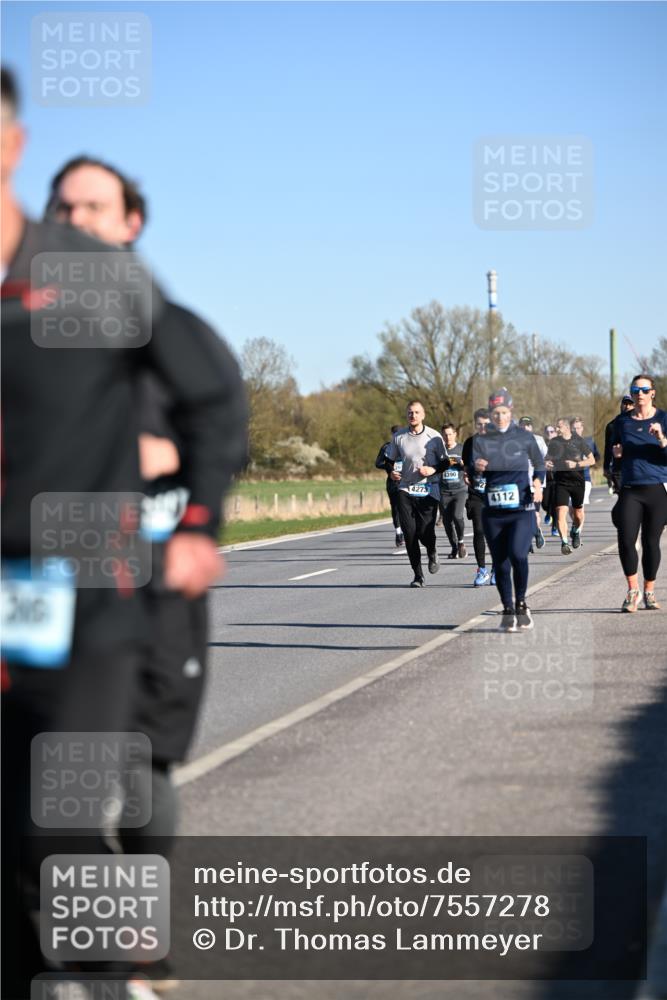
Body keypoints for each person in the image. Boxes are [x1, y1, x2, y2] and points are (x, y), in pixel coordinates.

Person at [1, 68, 248, 997]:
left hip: (116, 587)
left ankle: (125, 958)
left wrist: (193, 515)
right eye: (68, 205)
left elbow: (215, 400)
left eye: (93, 205)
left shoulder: (108, 292)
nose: (77, 219)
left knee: (114, 784)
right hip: (24, 591)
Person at [473, 388, 545, 631]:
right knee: (501, 564)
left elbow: (539, 464)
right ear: (491, 414)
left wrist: (537, 483)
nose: (500, 417)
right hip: (493, 511)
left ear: (511, 411)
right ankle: (507, 609)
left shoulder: (524, 437)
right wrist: (477, 467)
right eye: (495, 413)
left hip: (521, 509)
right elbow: (472, 470)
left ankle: (522, 602)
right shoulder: (482, 439)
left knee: (518, 555)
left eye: (504, 412)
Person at [611, 375, 667, 612]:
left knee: (651, 542)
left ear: (652, 393)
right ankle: (632, 591)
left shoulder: (664, 418)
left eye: (645, 390)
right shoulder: (621, 422)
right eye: (636, 390)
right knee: (626, 539)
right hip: (631, 489)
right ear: (632, 394)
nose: (640, 394)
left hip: (656, 488)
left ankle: (650, 592)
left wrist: (662, 439)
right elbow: (614, 457)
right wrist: (616, 456)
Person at [384, 401, 448, 587]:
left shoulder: (434, 436)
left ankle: (432, 550)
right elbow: (388, 460)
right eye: (410, 412)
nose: (413, 415)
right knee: (410, 533)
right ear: (407, 415)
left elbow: (445, 463)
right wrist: (390, 471)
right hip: (405, 488)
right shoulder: (399, 437)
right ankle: (418, 575)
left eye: (417, 412)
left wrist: (433, 470)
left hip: (428, 489)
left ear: (423, 415)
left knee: (424, 532)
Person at [545, 417, 594, 554]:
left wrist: (576, 464)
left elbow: (592, 460)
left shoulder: (578, 441)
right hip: (561, 483)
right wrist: (547, 463)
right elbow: (548, 458)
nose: (556, 429)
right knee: (561, 513)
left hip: (577, 482)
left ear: (566, 427)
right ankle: (564, 543)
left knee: (578, 514)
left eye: (558, 427)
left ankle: (576, 531)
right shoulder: (554, 442)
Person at [462, 409, 494, 585]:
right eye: (479, 424)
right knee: (479, 530)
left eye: (486, 424)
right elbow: (466, 466)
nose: (483, 427)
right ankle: (482, 569)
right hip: (476, 494)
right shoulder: (469, 443)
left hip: (496, 493)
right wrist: (466, 475)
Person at [518, 416, 548, 549]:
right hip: (520, 483)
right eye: (523, 425)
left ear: (531, 427)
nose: (525, 427)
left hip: (536, 482)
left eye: (528, 425)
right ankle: (527, 539)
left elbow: (545, 459)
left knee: (534, 514)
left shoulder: (539, 440)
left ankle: (536, 531)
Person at [439, 423, 467, 559]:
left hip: (460, 490)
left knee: (457, 516)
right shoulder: (439, 450)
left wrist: (462, 463)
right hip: (443, 490)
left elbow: (471, 467)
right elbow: (433, 468)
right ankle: (454, 547)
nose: (448, 437)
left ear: (455, 434)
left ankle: (461, 542)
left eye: (450, 434)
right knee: (446, 521)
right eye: (445, 435)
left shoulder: (462, 449)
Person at [375, 425, 404, 549]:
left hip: (407, 481)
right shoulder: (386, 447)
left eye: (399, 434)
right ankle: (398, 533)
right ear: (392, 435)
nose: (396, 437)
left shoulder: (408, 446)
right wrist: (390, 467)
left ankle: (409, 531)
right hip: (393, 483)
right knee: (396, 508)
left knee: (408, 508)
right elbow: (378, 463)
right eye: (394, 434)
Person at [604, 395, 635, 497]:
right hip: (618, 469)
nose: (627, 406)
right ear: (621, 405)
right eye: (625, 404)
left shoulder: (640, 424)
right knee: (623, 498)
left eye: (630, 404)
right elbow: (608, 448)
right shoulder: (611, 426)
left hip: (635, 468)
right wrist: (606, 467)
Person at [570, 416, 601, 505]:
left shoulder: (589, 442)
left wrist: (587, 462)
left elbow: (597, 457)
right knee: (570, 509)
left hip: (584, 479)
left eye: (578, 428)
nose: (576, 430)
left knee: (579, 507)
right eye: (574, 428)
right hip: (568, 480)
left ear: (582, 428)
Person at [542, 424, 558, 530]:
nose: (549, 433)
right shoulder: (541, 444)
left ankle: (555, 527)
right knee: (545, 503)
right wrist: (544, 464)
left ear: (556, 433)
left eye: (552, 431)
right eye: (547, 431)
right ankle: (548, 513)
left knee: (556, 502)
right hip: (545, 478)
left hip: (558, 478)